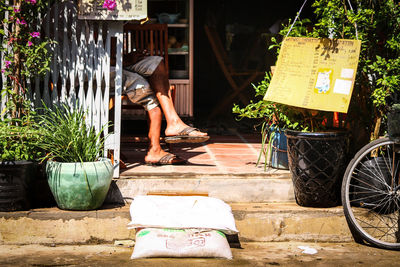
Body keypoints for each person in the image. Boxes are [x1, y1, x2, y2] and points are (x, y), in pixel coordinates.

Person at [111, 50, 209, 165]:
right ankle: (155, 150)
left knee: (156, 63)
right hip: (102, 66)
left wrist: (126, 57)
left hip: (117, 61)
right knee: (149, 89)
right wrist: (124, 60)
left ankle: (174, 122)